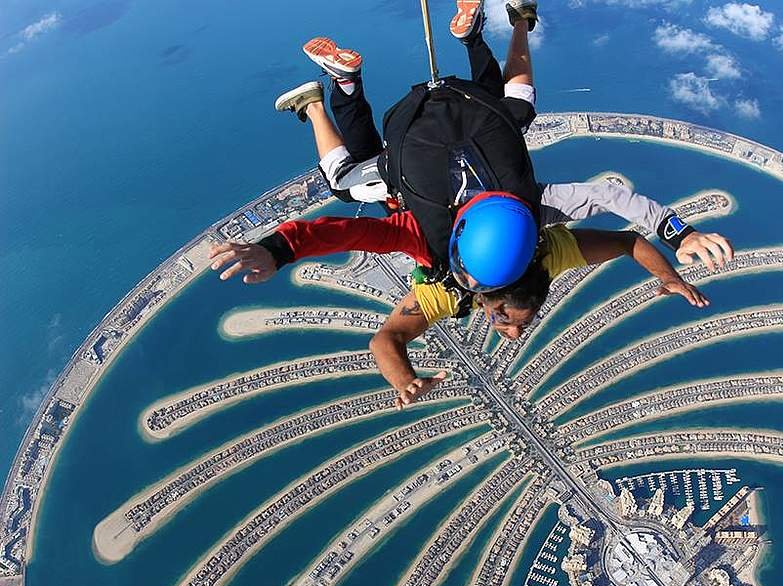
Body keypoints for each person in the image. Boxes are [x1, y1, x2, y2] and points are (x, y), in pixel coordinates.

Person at [209, 0, 733, 407]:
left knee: (519, 106)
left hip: (476, 109)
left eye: (511, 323)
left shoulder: (536, 227)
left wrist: (678, 241)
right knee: (345, 181)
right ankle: (323, 98)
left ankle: (512, 23)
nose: (513, 332)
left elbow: (616, 212)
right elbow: (353, 257)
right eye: (515, 320)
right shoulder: (437, 254)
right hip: (417, 132)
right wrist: (275, 251)